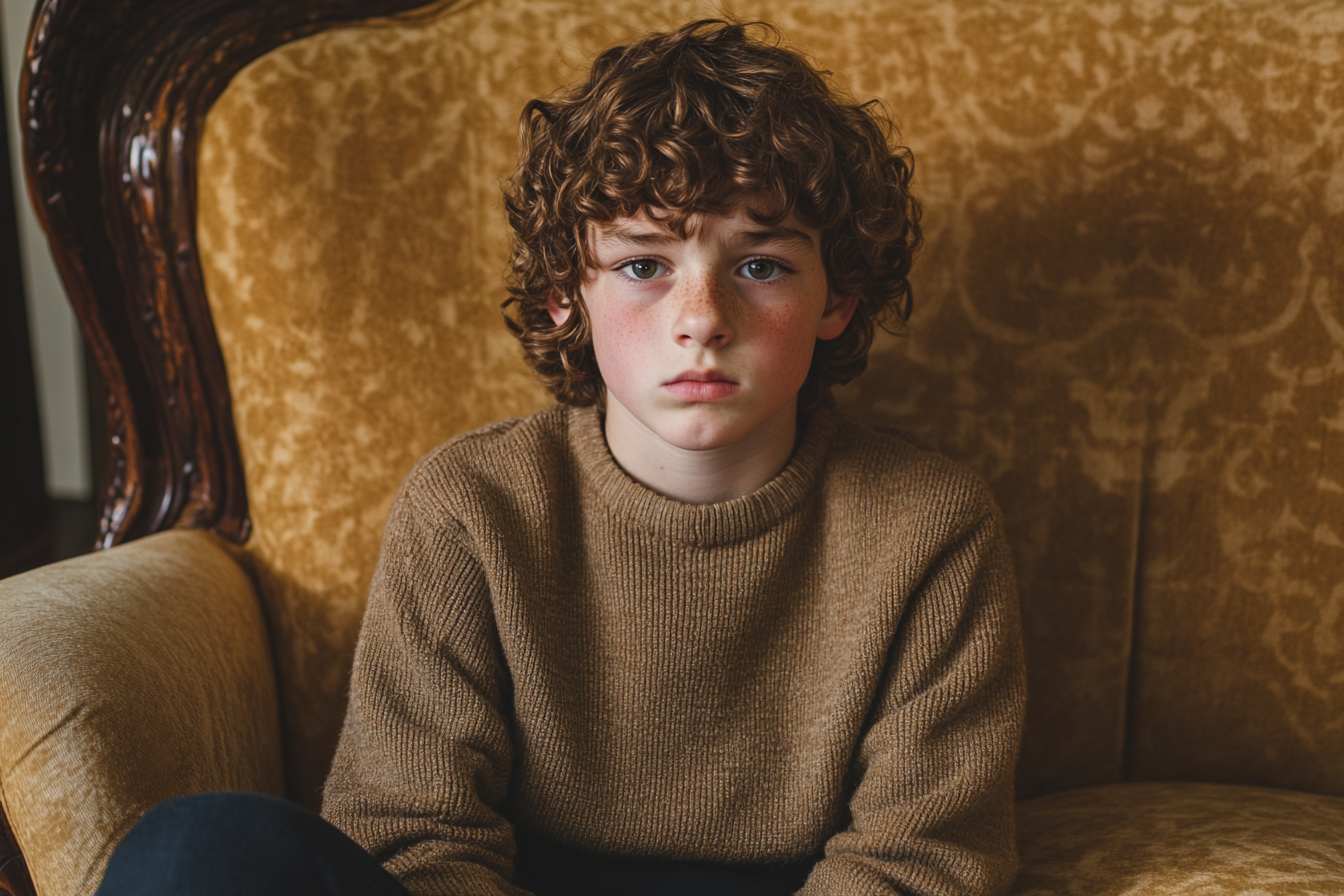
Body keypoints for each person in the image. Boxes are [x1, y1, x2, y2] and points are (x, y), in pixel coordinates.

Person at [96, 18, 1024, 896]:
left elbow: (922, 858)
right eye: (642, 265)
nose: (701, 319)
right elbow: (412, 834)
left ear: (837, 301)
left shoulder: (927, 524)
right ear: (561, 299)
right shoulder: (470, 506)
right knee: (193, 851)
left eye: (761, 265)